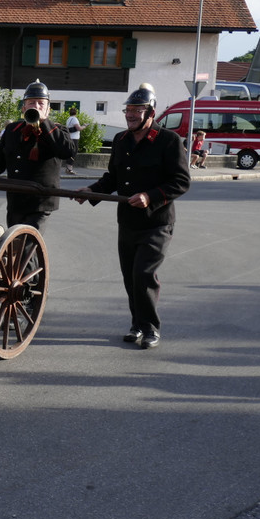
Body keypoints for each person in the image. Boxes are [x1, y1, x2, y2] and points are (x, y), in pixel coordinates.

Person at [74, 84, 190, 349]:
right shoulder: (121, 140)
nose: (131, 115)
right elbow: (113, 178)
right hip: (127, 222)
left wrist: (150, 196)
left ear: (151, 113)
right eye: (129, 110)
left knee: (143, 274)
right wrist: (90, 191)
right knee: (130, 277)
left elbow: (181, 182)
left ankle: (150, 328)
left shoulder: (169, 141)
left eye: (137, 111)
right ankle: (137, 324)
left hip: (157, 223)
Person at [0, 80, 76, 233]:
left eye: (41, 103)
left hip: (41, 201)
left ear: (48, 109)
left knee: (27, 248)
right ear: (23, 107)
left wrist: (44, 122)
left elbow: (67, 152)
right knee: (14, 247)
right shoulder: (13, 130)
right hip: (16, 200)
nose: (36, 106)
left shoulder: (58, 130)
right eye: (31, 102)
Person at [64, 107, 87, 174]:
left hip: (70, 137)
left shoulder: (68, 119)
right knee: (73, 153)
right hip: (74, 138)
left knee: (71, 152)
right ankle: (69, 168)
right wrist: (84, 126)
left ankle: (68, 168)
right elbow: (78, 128)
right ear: (76, 113)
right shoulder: (74, 119)